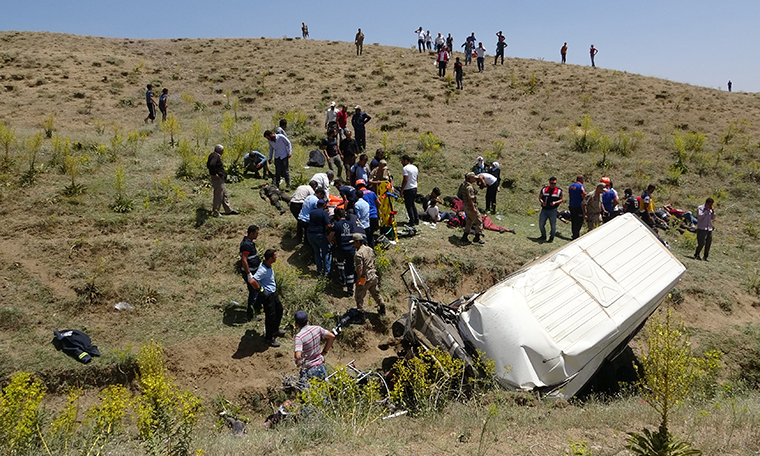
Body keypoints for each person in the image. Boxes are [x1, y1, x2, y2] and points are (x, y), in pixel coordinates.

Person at [248, 249, 284, 347]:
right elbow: (252, 281)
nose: (276, 257)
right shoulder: (263, 270)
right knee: (270, 317)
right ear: (270, 258)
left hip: (273, 293)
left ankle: (275, 330)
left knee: (279, 310)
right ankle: (269, 338)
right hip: (267, 296)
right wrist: (260, 290)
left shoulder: (267, 265)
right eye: (275, 256)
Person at [294, 310, 335, 385]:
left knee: (305, 393)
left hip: (309, 370)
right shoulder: (317, 328)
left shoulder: (299, 337)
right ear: (307, 320)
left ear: (296, 323)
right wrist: (324, 352)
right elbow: (331, 336)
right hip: (321, 366)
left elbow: (297, 355)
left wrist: (298, 361)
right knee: (322, 392)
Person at [353, 233, 386, 315]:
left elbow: (359, 269)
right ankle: (382, 307)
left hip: (364, 278)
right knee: (375, 293)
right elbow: (374, 262)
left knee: (359, 295)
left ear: (357, 242)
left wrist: (358, 281)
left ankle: (360, 313)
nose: (352, 244)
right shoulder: (369, 249)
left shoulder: (358, 254)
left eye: (353, 242)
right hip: (373, 275)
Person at [329, 208, 357, 293]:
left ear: (337, 215)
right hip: (351, 249)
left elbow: (330, 237)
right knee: (350, 269)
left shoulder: (336, 225)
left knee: (340, 262)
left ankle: (341, 277)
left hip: (341, 248)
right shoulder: (351, 224)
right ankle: (350, 289)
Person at [206, 144, 238, 217]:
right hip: (217, 179)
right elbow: (211, 165)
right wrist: (215, 173)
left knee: (224, 194)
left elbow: (208, 165)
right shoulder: (215, 156)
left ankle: (228, 210)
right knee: (218, 195)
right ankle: (216, 211)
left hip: (219, 179)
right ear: (220, 151)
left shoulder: (212, 155)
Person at [240, 225, 261, 321]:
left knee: (255, 291)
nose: (258, 235)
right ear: (251, 233)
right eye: (256, 233)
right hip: (250, 272)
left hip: (254, 271)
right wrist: (249, 274)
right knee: (253, 292)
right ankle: (250, 314)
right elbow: (244, 260)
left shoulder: (250, 243)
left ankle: (256, 309)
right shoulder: (246, 245)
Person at [306, 199, 332, 276]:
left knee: (316, 251)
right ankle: (327, 272)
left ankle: (319, 270)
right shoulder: (324, 213)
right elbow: (328, 225)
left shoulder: (312, 212)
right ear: (324, 205)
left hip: (310, 234)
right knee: (327, 252)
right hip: (319, 234)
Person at [459, 172, 484, 245]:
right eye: (474, 178)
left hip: (465, 206)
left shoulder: (464, 184)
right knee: (479, 221)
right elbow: (470, 199)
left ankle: (464, 237)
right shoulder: (469, 187)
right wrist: (474, 208)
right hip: (470, 206)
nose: (475, 179)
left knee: (469, 221)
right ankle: (477, 237)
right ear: (470, 178)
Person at [538, 177, 563, 242]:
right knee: (541, 223)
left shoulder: (559, 191)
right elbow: (540, 197)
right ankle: (543, 236)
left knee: (553, 225)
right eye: (552, 183)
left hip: (553, 210)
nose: (553, 185)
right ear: (549, 183)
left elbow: (561, 199)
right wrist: (542, 202)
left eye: (554, 183)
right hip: (544, 209)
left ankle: (551, 238)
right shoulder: (544, 189)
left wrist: (555, 202)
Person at [357, 179, 379, 247]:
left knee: (366, 234)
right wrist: (376, 210)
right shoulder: (372, 192)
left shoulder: (360, 194)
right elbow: (379, 203)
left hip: (366, 216)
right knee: (371, 234)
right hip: (374, 215)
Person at [400, 154, 419, 226]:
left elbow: (405, 179)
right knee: (412, 204)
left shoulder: (405, 168)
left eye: (402, 161)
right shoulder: (415, 167)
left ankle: (412, 220)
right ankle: (416, 219)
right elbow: (417, 178)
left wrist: (402, 189)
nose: (401, 163)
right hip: (414, 187)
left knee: (408, 205)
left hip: (408, 188)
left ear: (406, 161)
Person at [568, 175, 586, 239]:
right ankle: (576, 235)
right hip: (578, 206)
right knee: (579, 221)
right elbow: (583, 194)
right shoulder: (581, 186)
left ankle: (574, 234)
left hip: (571, 205)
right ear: (581, 180)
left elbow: (569, 195)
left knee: (573, 220)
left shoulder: (571, 186)